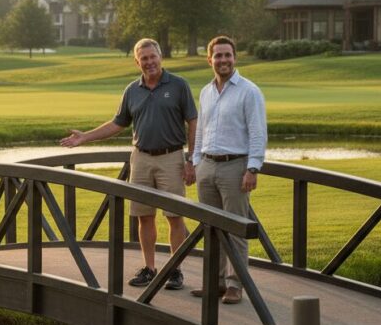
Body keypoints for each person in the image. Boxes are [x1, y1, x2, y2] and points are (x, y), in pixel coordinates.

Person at [60, 38, 197, 291]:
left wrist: (192, 159)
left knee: (175, 216)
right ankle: (150, 268)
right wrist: (85, 137)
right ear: (137, 62)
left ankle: (175, 270)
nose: (149, 62)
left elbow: (193, 121)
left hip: (171, 157)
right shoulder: (132, 90)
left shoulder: (178, 85)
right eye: (143, 58)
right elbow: (117, 124)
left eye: (152, 56)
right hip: (141, 158)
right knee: (144, 216)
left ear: (160, 56)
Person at [191, 35, 267, 304]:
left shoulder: (249, 91)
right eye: (218, 55)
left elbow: (258, 133)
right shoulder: (206, 91)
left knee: (235, 229)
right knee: (211, 228)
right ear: (209, 59)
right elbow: (201, 131)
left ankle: (235, 285)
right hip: (207, 167)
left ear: (235, 58)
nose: (223, 60)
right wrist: (196, 161)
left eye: (228, 55)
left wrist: (253, 168)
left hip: (235, 167)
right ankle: (216, 283)